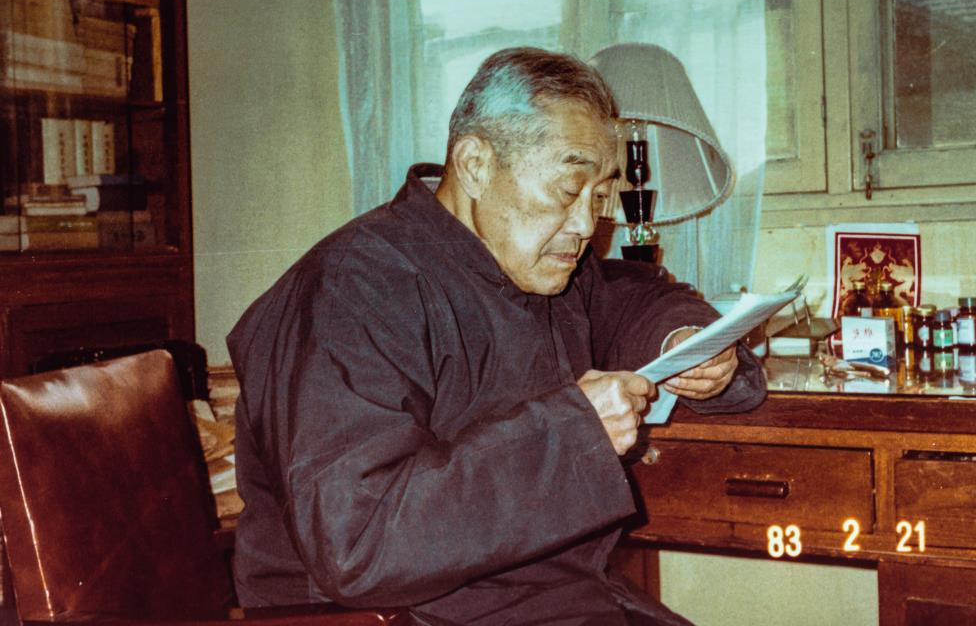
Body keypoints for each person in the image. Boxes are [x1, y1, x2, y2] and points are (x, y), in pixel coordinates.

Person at [227, 47, 766, 625]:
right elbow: (357, 543)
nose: (587, 226)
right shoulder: (352, 289)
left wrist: (684, 338)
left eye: (600, 197)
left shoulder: (531, 259)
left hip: (548, 602)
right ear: (476, 165)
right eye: (568, 189)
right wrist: (574, 431)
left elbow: (632, 296)